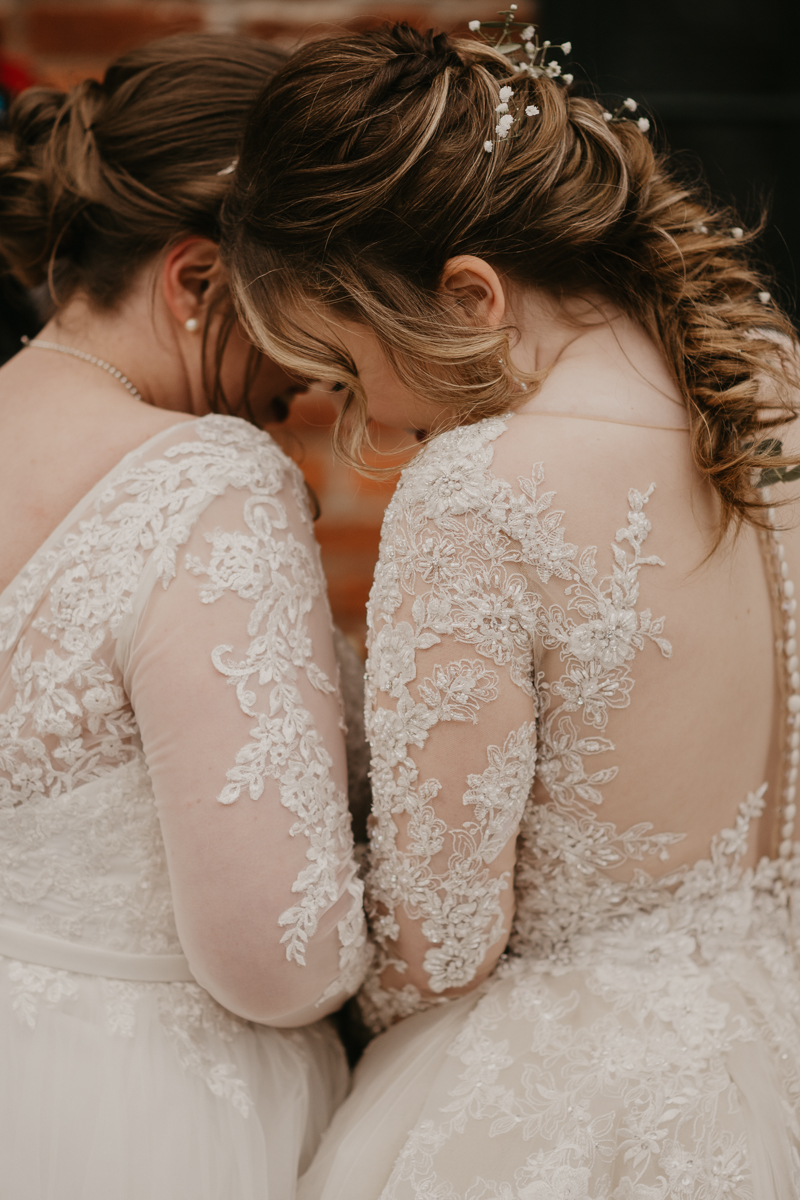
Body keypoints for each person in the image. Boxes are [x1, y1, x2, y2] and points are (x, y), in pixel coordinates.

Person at [223, 20, 800, 1199]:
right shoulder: (762, 383)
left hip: (560, 1102)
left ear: (469, 295)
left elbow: (437, 940)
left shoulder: (478, 494)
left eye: (347, 369)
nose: (369, 424)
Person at [0, 33, 370, 1200]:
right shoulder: (206, 480)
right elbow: (280, 958)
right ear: (197, 283)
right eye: (308, 316)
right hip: (144, 1122)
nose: (323, 374)